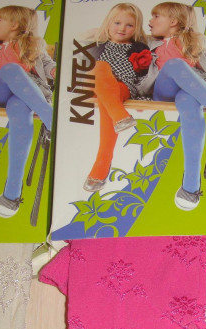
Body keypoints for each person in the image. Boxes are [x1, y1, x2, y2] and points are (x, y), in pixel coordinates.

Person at [0, 6, 56, 218]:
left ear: (14, 25)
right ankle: (52, 121)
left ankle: (12, 192)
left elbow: (50, 67)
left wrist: (59, 70)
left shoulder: (35, 49)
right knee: (11, 70)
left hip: (23, 100)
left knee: (20, 107)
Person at [148, 2, 206, 211]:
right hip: (163, 90)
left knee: (190, 103)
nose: (150, 21)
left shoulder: (195, 42)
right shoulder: (149, 43)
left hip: (190, 92)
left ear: (173, 21)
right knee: (176, 64)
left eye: (156, 16)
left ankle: (191, 185)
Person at [83, 3, 153, 193]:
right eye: (117, 23)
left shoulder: (139, 48)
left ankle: (102, 163)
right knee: (100, 67)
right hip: (98, 86)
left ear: (136, 28)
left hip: (123, 87)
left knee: (107, 100)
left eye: (129, 25)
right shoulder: (98, 45)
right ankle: (120, 117)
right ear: (108, 23)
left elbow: (144, 76)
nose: (122, 28)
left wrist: (143, 96)